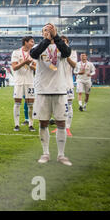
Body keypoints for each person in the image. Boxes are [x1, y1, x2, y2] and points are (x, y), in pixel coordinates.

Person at [30, 23, 72, 166]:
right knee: (43, 122)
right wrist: (47, 40)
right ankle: (45, 153)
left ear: (55, 31)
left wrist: (56, 37)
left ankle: (61, 155)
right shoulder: (39, 47)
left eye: (50, 29)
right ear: (42, 33)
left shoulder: (61, 46)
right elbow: (34, 55)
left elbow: (67, 53)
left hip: (60, 89)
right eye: (45, 30)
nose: (48, 31)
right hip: (42, 90)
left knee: (61, 122)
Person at [52, 36, 76, 137]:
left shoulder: (72, 52)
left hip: (68, 83)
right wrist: (53, 67)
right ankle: (59, 126)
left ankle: (67, 127)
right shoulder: (54, 53)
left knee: (69, 106)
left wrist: (66, 55)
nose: (63, 44)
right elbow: (51, 67)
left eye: (65, 42)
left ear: (68, 43)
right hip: (58, 83)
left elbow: (74, 65)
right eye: (61, 42)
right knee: (58, 106)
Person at [11, 36, 36, 132]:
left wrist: (29, 64)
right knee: (17, 103)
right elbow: (14, 67)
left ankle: (31, 124)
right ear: (26, 42)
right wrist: (25, 62)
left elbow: (36, 68)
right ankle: (16, 124)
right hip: (19, 81)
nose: (33, 43)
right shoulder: (16, 52)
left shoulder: (34, 53)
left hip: (30, 80)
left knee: (31, 104)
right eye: (31, 42)